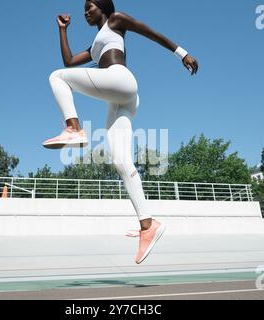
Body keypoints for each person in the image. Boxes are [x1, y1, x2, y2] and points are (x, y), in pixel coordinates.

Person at [43, 0, 198, 264]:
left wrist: (182, 53)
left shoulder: (116, 20)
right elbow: (69, 60)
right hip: (123, 99)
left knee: (56, 78)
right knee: (121, 162)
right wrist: (62, 30)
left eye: (88, 7)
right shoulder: (94, 47)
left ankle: (73, 128)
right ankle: (148, 225)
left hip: (122, 80)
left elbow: (150, 32)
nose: (84, 13)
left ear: (102, 6)